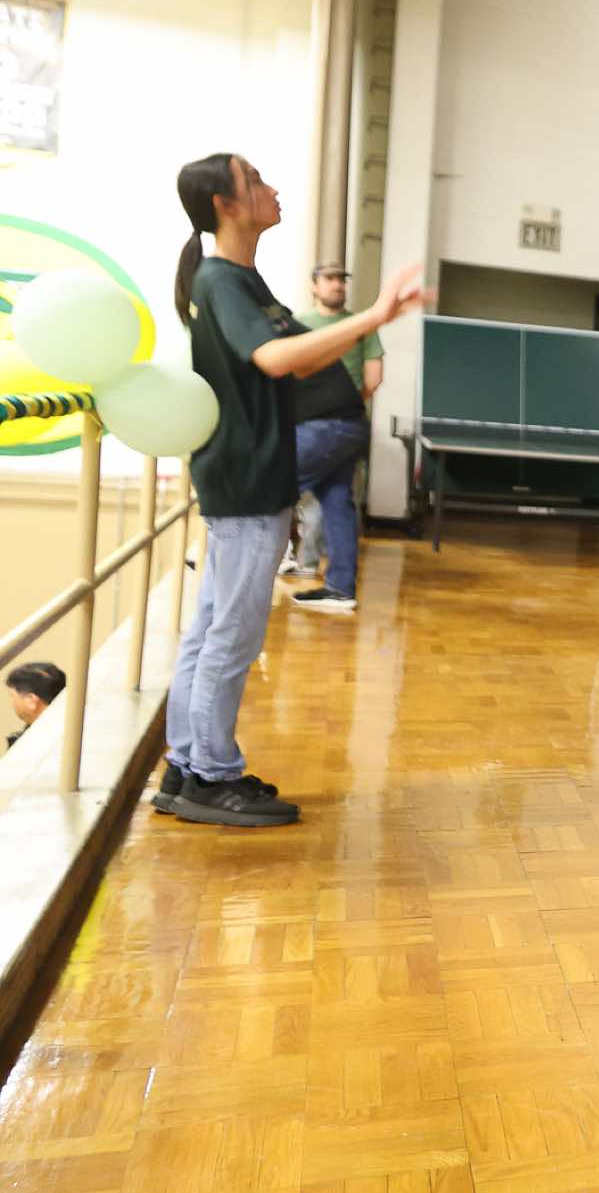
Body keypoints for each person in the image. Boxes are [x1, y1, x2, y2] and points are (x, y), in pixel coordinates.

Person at [157, 152, 421, 827]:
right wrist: (373, 315)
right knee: (233, 634)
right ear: (225, 205)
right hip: (246, 477)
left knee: (213, 628)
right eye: (255, 181)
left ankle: (185, 765)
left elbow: (304, 354)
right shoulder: (221, 279)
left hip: (249, 474)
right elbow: (275, 358)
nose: (272, 188)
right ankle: (209, 777)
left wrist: (374, 319)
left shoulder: (244, 281)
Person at [281, 262, 383, 583]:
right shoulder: (301, 322)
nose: (337, 284)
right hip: (344, 424)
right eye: (330, 278)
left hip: (326, 424)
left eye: (341, 279)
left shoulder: (357, 325)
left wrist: (335, 404)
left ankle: (290, 562)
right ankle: (338, 585)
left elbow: (374, 378)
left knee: (274, 489)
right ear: (314, 285)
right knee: (336, 500)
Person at [6, 662, 64, 747]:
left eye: (12, 696)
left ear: (31, 700)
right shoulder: (76, 722)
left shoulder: (30, 746)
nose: (12, 702)